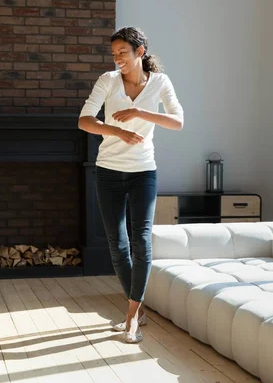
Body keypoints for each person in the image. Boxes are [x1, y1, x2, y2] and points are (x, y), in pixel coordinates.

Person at [78, 27, 184, 343]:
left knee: (141, 238)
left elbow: (178, 122)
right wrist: (117, 131)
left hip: (143, 172)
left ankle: (130, 318)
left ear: (140, 52)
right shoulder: (108, 81)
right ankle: (136, 309)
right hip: (108, 171)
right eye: (114, 54)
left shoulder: (161, 83)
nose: (117, 59)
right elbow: (84, 120)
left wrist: (140, 112)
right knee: (118, 243)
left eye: (123, 52)